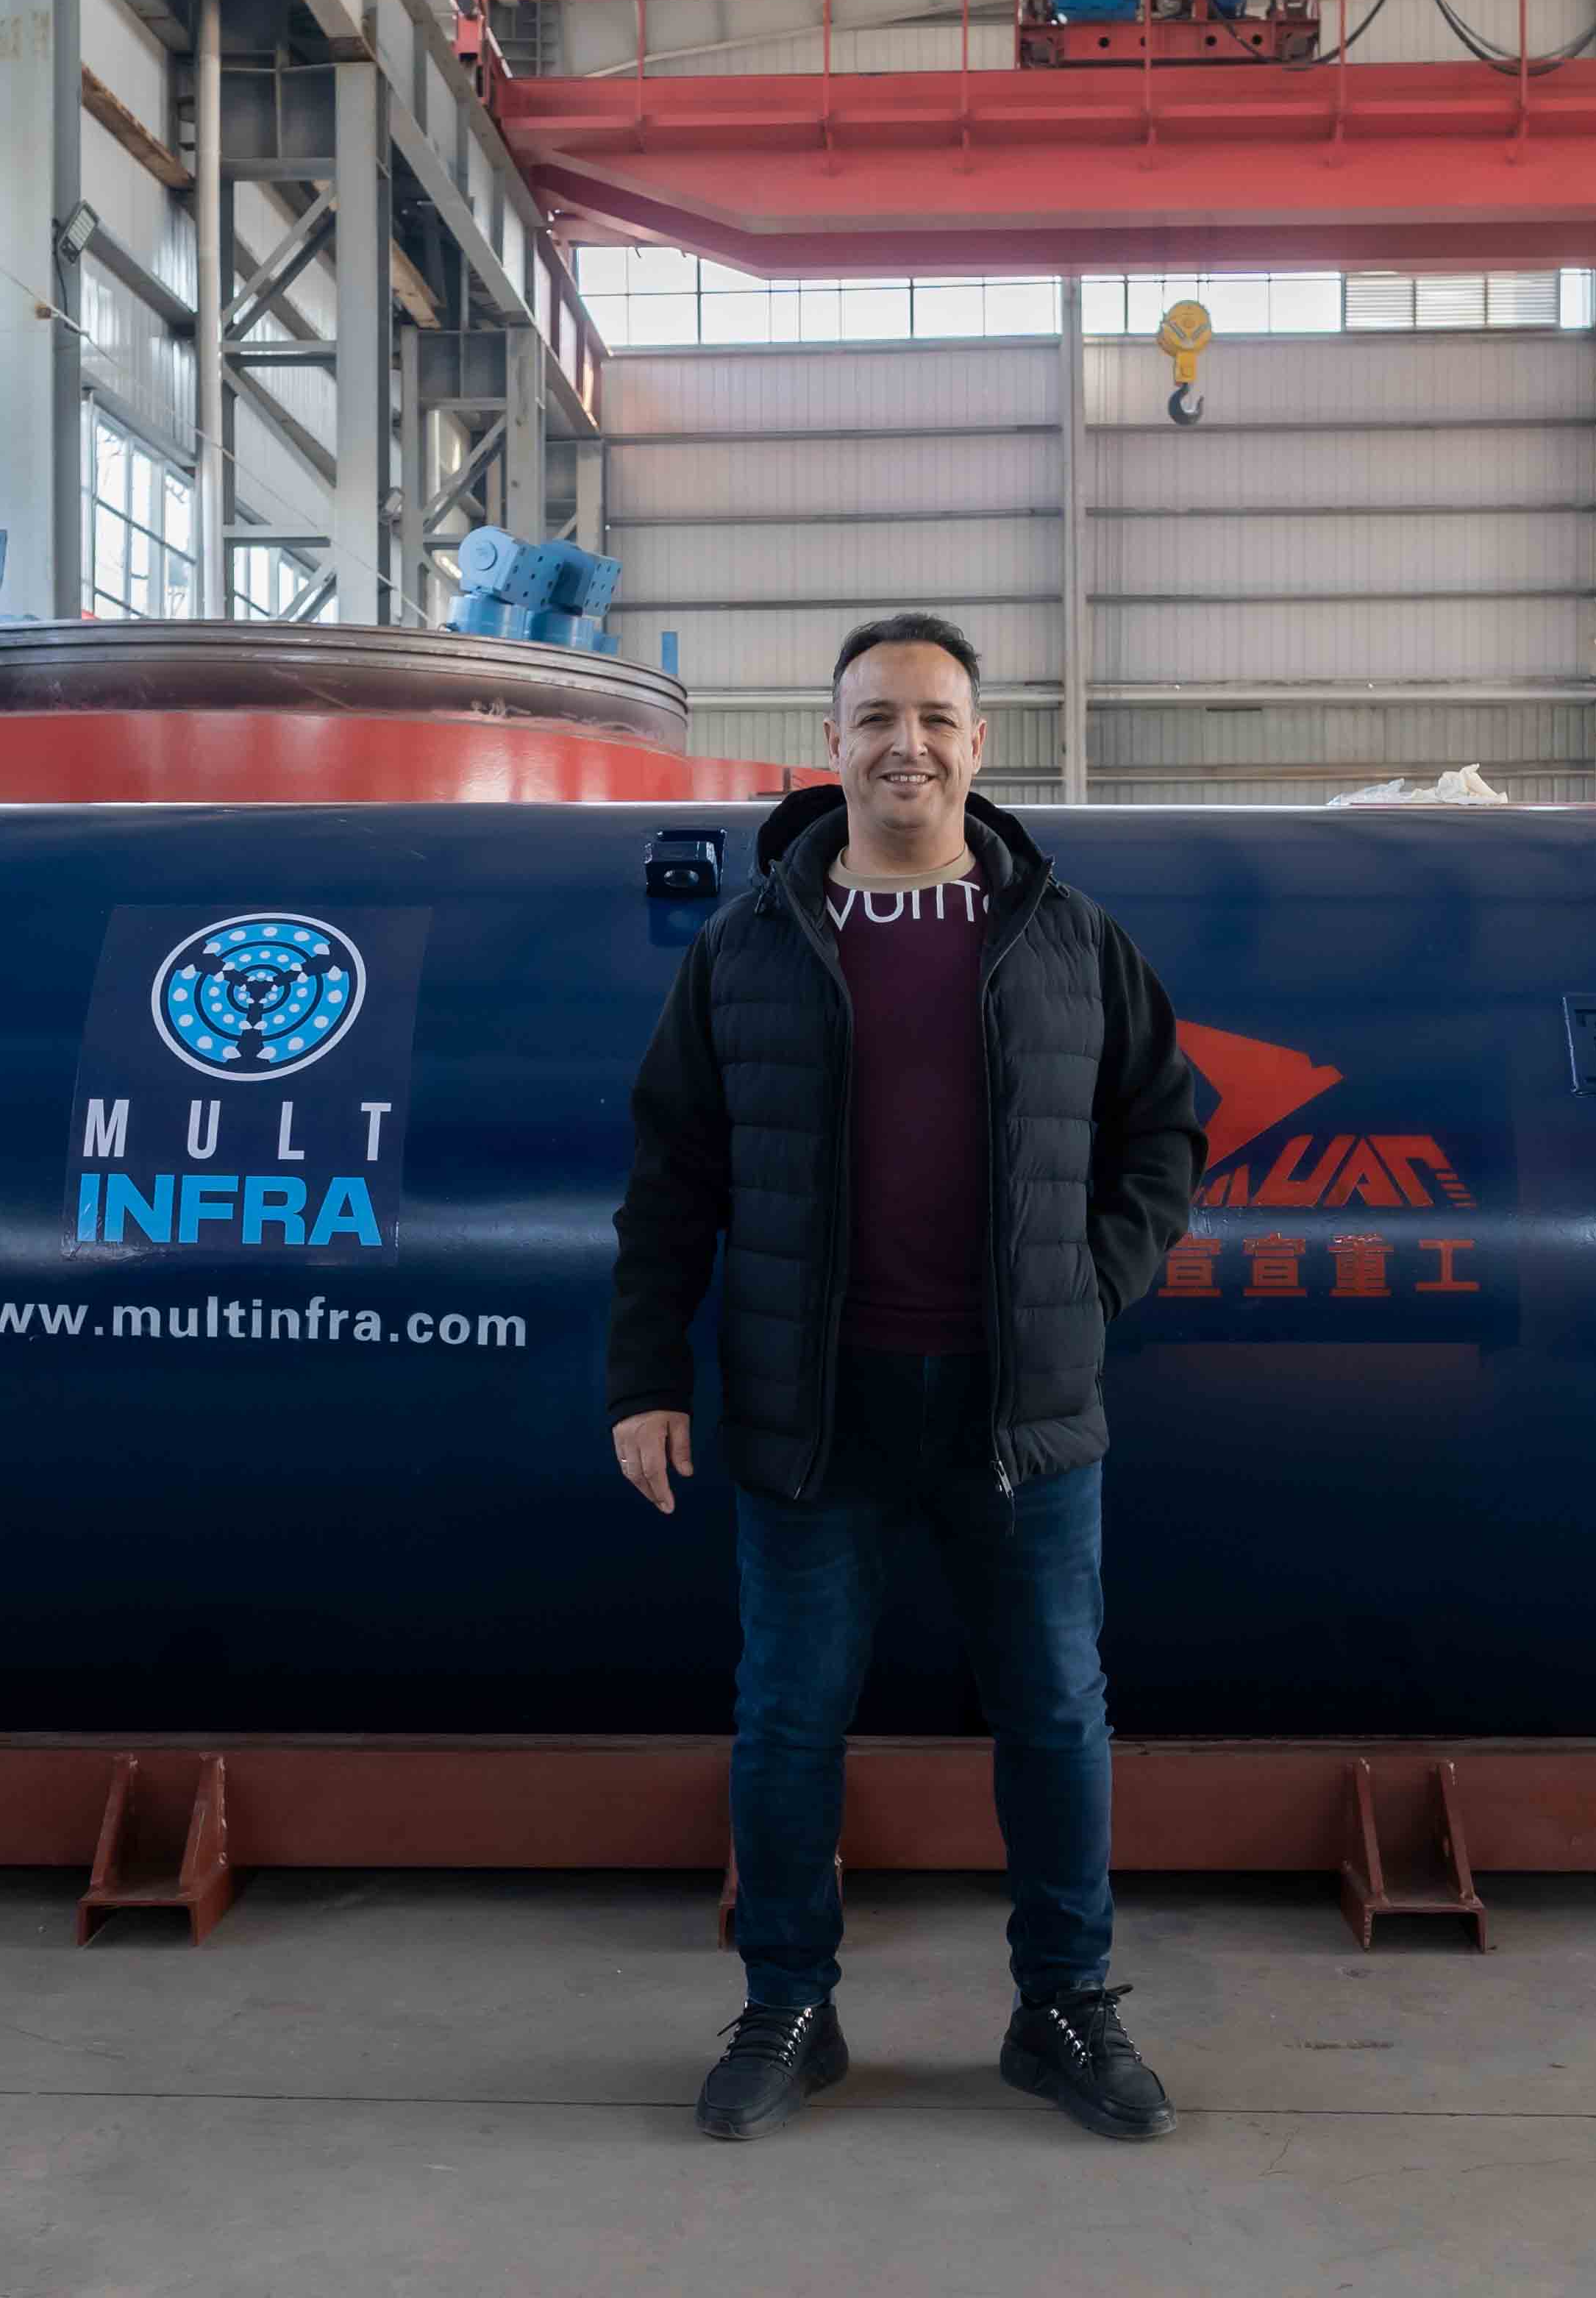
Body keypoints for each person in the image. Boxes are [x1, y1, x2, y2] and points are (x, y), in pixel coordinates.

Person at [606, 611, 1205, 2144]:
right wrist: (644, 1375)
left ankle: (1063, 2005)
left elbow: (1167, 1123)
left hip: (1021, 1412)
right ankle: (787, 2006)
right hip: (814, 1411)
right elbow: (671, 1178)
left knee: (1055, 1713)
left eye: (935, 716)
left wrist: (1093, 1279)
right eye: (875, 716)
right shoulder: (749, 947)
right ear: (832, 745)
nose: (906, 744)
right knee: (789, 1719)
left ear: (978, 742)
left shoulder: (1065, 936)